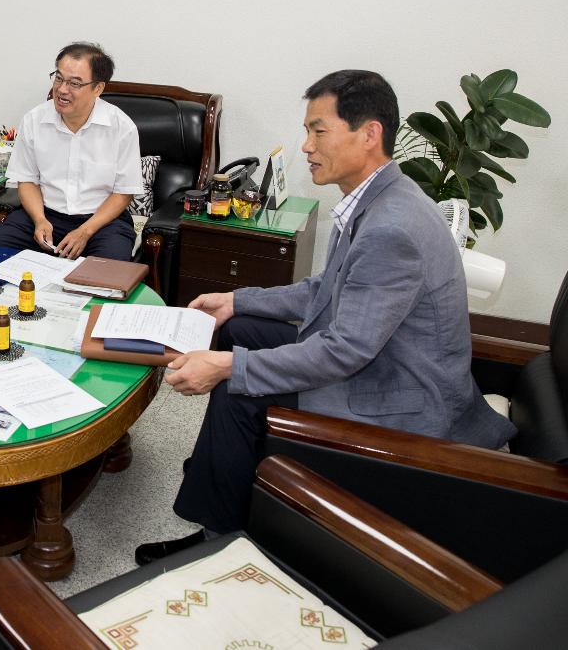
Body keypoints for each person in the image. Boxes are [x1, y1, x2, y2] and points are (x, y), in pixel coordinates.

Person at [135, 70, 516, 563]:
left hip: (397, 396)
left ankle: (217, 540)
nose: (307, 145)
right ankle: (225, 468)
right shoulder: (380, 198)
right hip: (383, 363)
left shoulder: (391, 228)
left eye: (319, 131)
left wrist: (229, 367)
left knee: (236, 385)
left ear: (370, 134)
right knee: (236, 328)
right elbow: (326, 288)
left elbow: (345, 351)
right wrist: (237, 300)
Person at [0, 42, 142, 261]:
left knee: (110, 274)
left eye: (75, 83)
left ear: (98, 88)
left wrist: (85, 231)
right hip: (45, 214)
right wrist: (39, 220)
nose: (62, 89)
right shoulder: (34, 120)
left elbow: (123, 193)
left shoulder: (122, 127)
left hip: (102, 222)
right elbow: (27, 181)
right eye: (59, 78)